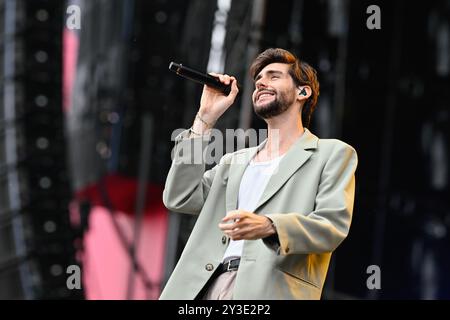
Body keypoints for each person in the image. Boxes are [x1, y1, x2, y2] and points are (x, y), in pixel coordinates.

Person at [159, 48, 358, 300]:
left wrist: (269, 225)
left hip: (267, 290)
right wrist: (204, 120)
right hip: (205, 287)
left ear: (303, 91)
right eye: (258, 80)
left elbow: (331, 227)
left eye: (274, 76)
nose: (261, 83)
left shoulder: (332, 153)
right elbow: (179, 197)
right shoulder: (234, 161)